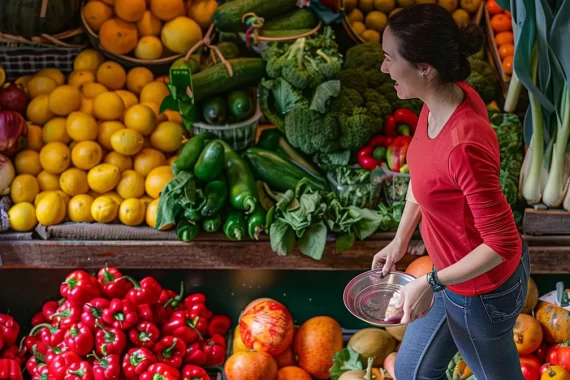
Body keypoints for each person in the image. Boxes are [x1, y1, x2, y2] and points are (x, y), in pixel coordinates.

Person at [371, 4, 530, 380]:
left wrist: (431, 282)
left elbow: (501, 243)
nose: (383, 68)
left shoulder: (463, 145)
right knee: (412, 372)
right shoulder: (439, 100)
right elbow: (424, 176)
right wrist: (399, 239)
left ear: (425, 68)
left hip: (481, 292)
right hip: (450, 277)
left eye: (389, 59)